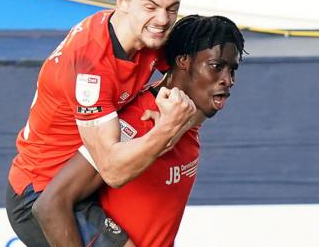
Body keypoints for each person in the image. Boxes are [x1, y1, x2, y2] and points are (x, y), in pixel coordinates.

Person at [6, 0, 196, 246]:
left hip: (85, 179)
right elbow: (113, 171)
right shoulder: (89, 66)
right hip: (42, 193)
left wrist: (164, 98)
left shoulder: (146, 34)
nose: (163, 19)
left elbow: (186, 75)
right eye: (150, 6)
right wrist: (167, 127)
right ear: (122, 1)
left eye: (172, 8)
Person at [32, 15, 246, 247]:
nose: (228, 80)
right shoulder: (139, 119)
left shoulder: (186, 122)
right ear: (184, 61)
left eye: (232, 70)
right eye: (216, 67)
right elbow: (50, 205)